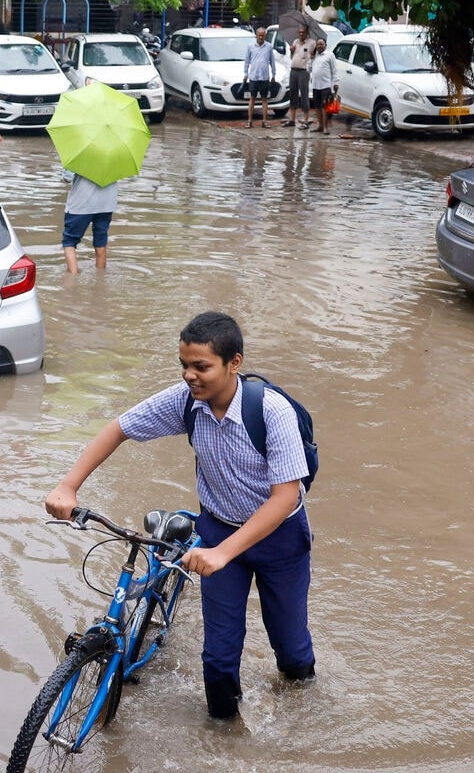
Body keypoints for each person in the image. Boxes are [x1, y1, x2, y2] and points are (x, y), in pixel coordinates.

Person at [44, 311, 316, 721]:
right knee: (219, 659)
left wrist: (222, 552)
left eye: (201, 367)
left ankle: (303, 720)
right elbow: (119, 428)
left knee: (292, 651)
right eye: (184, 366)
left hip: (279, 537)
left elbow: (284, 497)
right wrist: (68, 485)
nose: (190, 376)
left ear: (234, 363)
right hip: (220, 528)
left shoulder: (272, 412)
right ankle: (223, 740)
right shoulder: (186, 401)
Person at [61, 168, 118, 272]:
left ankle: (72, 280)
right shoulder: (116, 154)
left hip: (81, 204)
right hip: (106, 204)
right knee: (101, 242)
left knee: (69, 241)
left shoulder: (78, 153)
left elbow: (67, 178)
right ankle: (100, 280)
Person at [243, 26, 277, 128]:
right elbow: (247, 61)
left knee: (264, 99)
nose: (261, 37)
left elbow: (272, 61)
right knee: (252, 99)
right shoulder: (250, 46)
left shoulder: (269, 47)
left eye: (263, 35)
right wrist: (245, 73)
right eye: (259, 35)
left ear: (265, 36)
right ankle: (249, 121)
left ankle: (264, 121)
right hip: (253, 76)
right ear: (256, 35)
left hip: (264, 77)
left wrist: (274, 74)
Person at [285, 26, 318, 129]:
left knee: (304, 95)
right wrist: (291, 51)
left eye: (303, 32)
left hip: (304, 71)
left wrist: (312, 55)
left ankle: (306, 120)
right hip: (294, 70)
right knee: (293, 94)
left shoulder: (312, 43)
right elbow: (292, 57)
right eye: (299, 32)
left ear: (307, 33)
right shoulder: (295, 42)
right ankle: (292, 120)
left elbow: (315, 56)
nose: (301, 34)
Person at [309, 39, 337, 135]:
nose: (319, 46)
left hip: (326, 85)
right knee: (317, 107)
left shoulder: (330, 55)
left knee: (325, 107)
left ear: (325, 45)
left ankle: (325, 127)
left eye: (321, 44)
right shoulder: (314, 56)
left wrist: (335, 83)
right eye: (318, 44)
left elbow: (334, 70)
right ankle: (320, 126)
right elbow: (309, 69)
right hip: (316, 85)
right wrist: (311, 58)